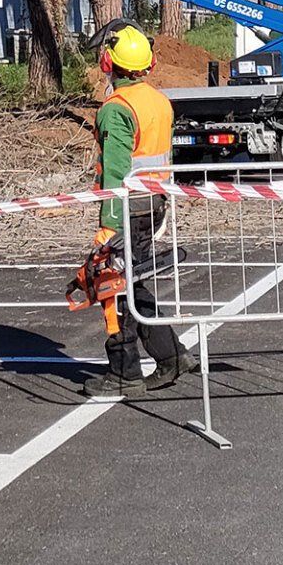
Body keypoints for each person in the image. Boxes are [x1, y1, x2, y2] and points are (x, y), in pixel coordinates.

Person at [82, 24, 186, 399]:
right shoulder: (159, 101)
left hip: (126, 209)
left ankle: (125, 371)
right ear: (149, 64)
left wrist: (109, 225)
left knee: (113, 285)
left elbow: (115, 171)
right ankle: (172, 354)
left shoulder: (116, 109)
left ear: (109, 61)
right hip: (153, 203)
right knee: (132, 281)